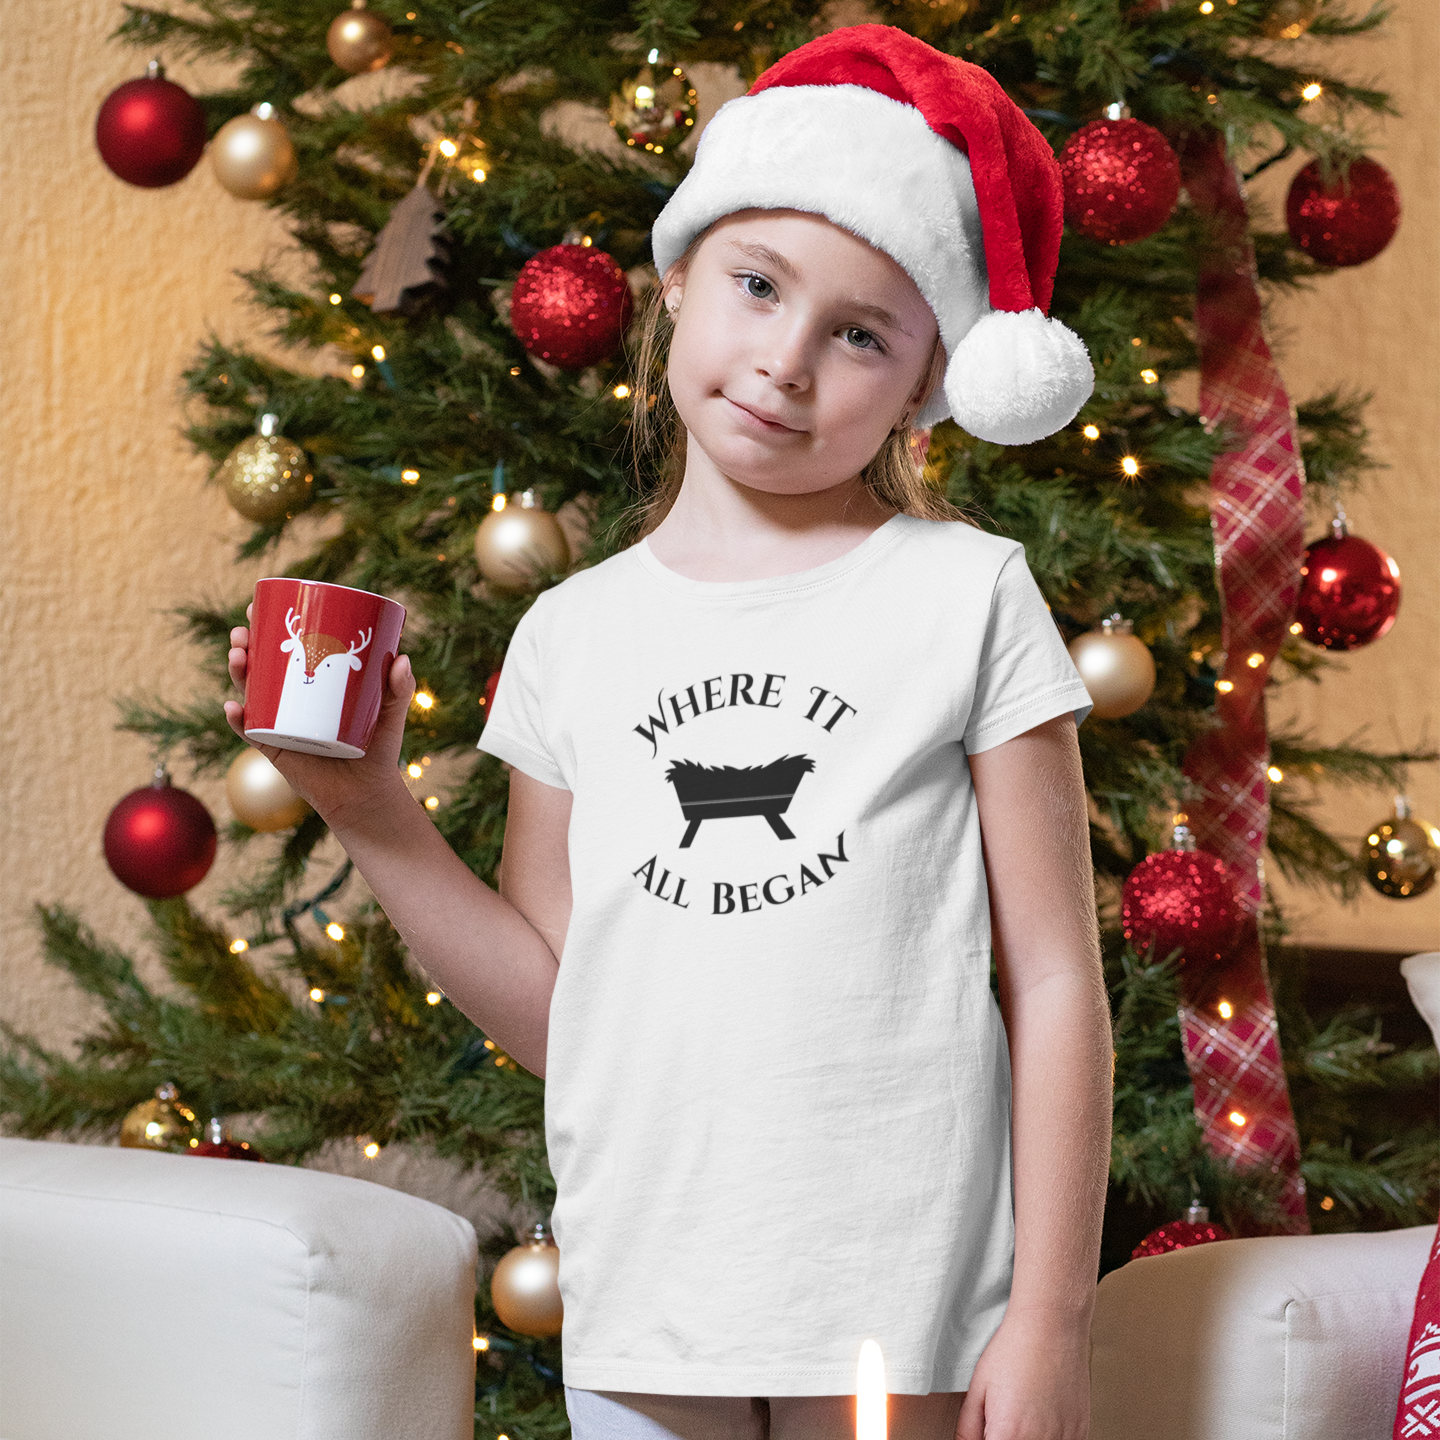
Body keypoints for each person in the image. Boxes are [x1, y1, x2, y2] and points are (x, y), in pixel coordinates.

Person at [224, 24, 1112, 1440]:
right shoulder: (571, 635)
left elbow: (1057, 979)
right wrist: (369, 812)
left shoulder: (966, 597)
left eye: (861, 334)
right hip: (649, 1298)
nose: (786, 361)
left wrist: (1052, 1316)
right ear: (679, 281)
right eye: (758, 286)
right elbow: (557, 1011)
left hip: (905, 1299)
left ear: (927, 381)